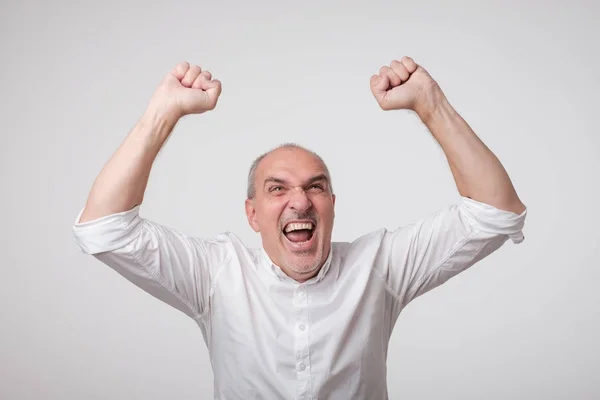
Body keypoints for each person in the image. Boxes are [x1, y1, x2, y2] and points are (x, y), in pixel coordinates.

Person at [72, 56, 527, 399]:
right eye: (277, 189)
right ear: (252, 214)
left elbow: (495, 211)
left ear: (331, 205)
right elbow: (105, 228)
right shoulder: (216, 275)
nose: (299, 200)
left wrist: (432, 105)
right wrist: (162, 115)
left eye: (316, 187)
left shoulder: (379, 266)